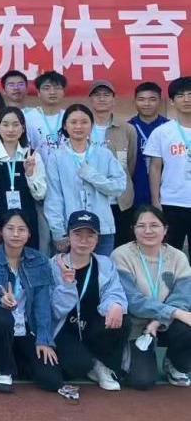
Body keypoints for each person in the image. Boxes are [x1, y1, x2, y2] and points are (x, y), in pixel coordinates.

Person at [0, 210, 63, 394]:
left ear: (29, 233)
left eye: (22, 229)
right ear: (1, 231)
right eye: (10, 228)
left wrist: (43, 340)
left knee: (51, 380)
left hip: (25, 328)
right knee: (3, 316)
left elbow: (42, 305)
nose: (16, 234)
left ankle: (17, 361)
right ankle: (2, 371)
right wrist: (0, 302)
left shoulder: (40, 261)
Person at [49, 210, 129, 391]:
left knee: (121, 317)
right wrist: (67, 286)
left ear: (97, 239)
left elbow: (114, 291)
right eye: (78, 235)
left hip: (92, 327)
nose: (83, 241)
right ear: (68, 236)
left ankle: (103, 364)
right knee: (76, 367)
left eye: (90, 235)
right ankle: (89, 362)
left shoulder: (105, 264)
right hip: (64, 329)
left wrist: (115, 304)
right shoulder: (53, 265)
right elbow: (54, 310)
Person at [112, 206, 191, 388]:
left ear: (165, 229)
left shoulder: (178, 257)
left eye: (154, 225)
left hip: (167, 323)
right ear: (133, 230)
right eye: (141, 226)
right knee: (142, 381)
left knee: (187, 326)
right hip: (136, 324)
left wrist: (158, 321)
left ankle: (176, 363)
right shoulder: (121, 255)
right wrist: (173, 313)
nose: (148, 231)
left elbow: (182, 298)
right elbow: (133, 300)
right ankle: (131, 354)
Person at [45, 104, 126, 259]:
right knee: (70, 271)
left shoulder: (104, 154)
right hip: (70, 230)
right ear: (65, 126)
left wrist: (92, 176)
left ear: (91, 125)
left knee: (101, 270)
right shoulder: (56, 157)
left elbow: (119, 187)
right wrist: (58, 232)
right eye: (73, 122)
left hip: (102, 228)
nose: (79, 126)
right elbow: (53, 197)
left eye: (84, 122)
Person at [0, 107, 46, 249]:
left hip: (26, 222)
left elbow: (40, 194)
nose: (10, 129)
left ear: (23, 128)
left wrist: (30, 174)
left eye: (15, 124)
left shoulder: (32, 155)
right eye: (5, 124)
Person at [87, 80, 137, 247]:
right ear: (90, 99)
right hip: (90, 200)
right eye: (97, 95)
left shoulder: (127, 129)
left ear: (114, 99)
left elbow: (130, 164)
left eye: (106, 95)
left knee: (119, 249)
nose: (102, 99)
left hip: (119, 202)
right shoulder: (82, 127)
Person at [146, 76, 191, 253]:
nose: (186, 99)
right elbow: (155, 167)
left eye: (190, 94)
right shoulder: (162, 132)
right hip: (172, 202)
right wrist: (155, 201)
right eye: (180, 95)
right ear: (172, 101)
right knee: (170, 254)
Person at [128, 82, 167, 212]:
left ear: (160, 101)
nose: (147, 104)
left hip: (166, 196)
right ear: (134, 101)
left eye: (152, 99)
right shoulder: (127, 128)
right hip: (134, 194)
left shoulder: (169, 128)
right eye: (141, 99)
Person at [24, 70, 67, 166]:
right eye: (46, 88)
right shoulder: (28, 118)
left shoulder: (70, 117)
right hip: (38, 170)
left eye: (57, 88)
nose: (52, 92)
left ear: (63, 92)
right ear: (38, 93)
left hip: (66, 171)